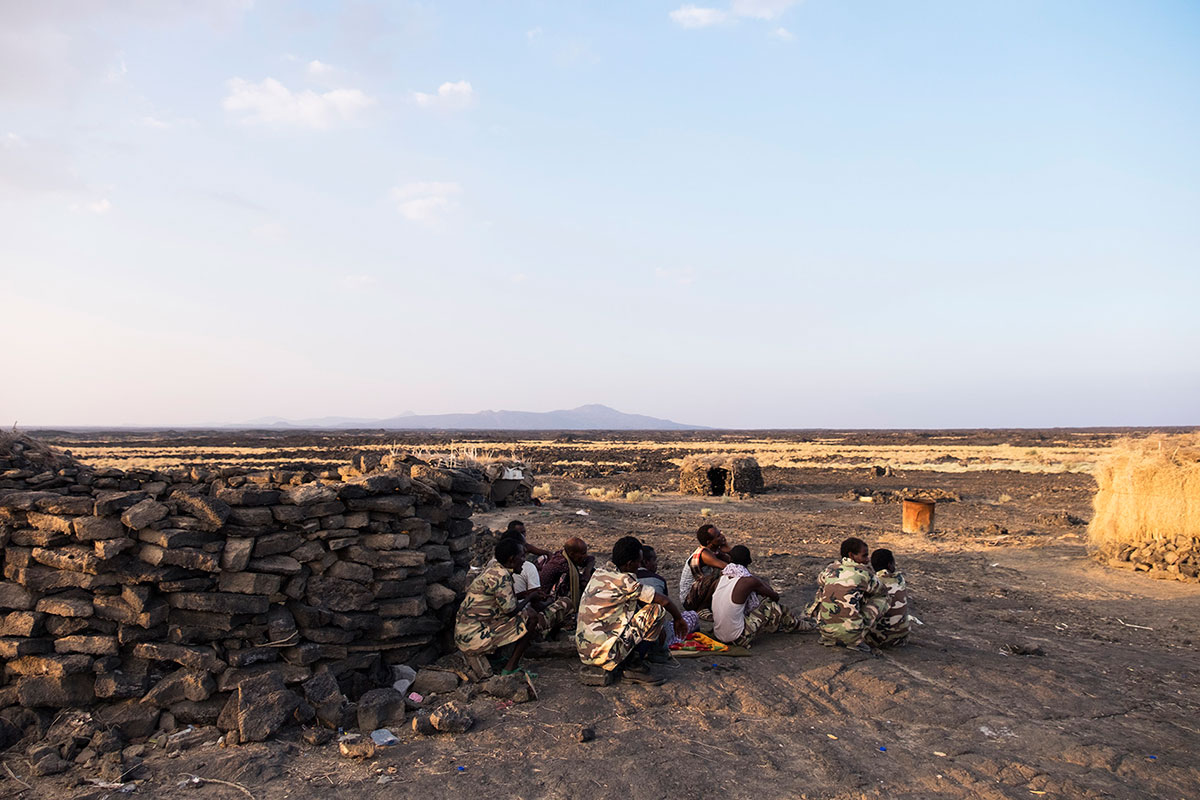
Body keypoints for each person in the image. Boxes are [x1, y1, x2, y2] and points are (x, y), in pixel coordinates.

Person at [576, 535, 689, 686]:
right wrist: (678, 619)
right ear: (629, 564)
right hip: (605, 655)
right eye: (639, 562)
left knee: (636, 607)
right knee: (656, 611)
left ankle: (630, 658)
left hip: (585, 652)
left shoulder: (599, 574)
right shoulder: (625, 581)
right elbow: (664, 601)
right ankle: (633, 666)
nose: (639, 566)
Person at [454, 538, 545, 675]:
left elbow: (504, 600)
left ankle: (496, 658)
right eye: (522, 556)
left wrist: (527, 594)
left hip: (465, 634)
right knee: (531, 616)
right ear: (512, 559)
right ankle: (510, 667)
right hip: (472, 639)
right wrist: (530, 597)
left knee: (511, 616)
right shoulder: (502, 576)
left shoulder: (494, 569)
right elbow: (511, 611)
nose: (524, 560)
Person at [712, 545, 813, 647]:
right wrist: (758, 583)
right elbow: (774, 596)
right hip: (737, 638)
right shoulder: (749, 581)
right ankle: (794, 624)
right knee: (770, 605)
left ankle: (785, 623)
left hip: (718, 635)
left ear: (730, 559)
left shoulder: (722, 578)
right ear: (749, 561)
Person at [805, 537, 889, 653]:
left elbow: (820, 580)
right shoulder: (864, 573)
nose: (868, 560)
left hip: (825, 631)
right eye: (864, 556)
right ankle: (857, 638)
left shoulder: (830, 568)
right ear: (852, 555)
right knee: (881, 597)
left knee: (824, 588)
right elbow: (882, 590)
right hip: (852, 634)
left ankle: (828, 634)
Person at [637, 546, 699, 657]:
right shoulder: (658, 580)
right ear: (646, 562)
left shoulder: (622, 580)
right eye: (654, 560)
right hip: (657, 634)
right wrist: (677, 618)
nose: (656, 563)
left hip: (634, 634)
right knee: (692, 616)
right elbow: (665, 604)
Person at [679, 523, 732, 610]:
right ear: (709, 542)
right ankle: (702, 608)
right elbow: (729, 568)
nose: (722, 536)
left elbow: (734, 562)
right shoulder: (704, 554)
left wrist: (727, 549)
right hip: (689, 600)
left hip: (697, 593)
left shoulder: (713, 551)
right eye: (718, 536)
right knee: (720, 574)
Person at [867, 548, 911, 648]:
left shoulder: (873, 582)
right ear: (890, 565)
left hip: (878, 640)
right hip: (902, 637)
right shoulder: (900, 579)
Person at [538, 537, 596, 611]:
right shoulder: (562, 564)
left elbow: (590, 558)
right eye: (583, 553)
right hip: (546, 598)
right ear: (572, 554)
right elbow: (584, 582)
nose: (585, 556)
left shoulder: (563, 554)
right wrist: (588, 569)